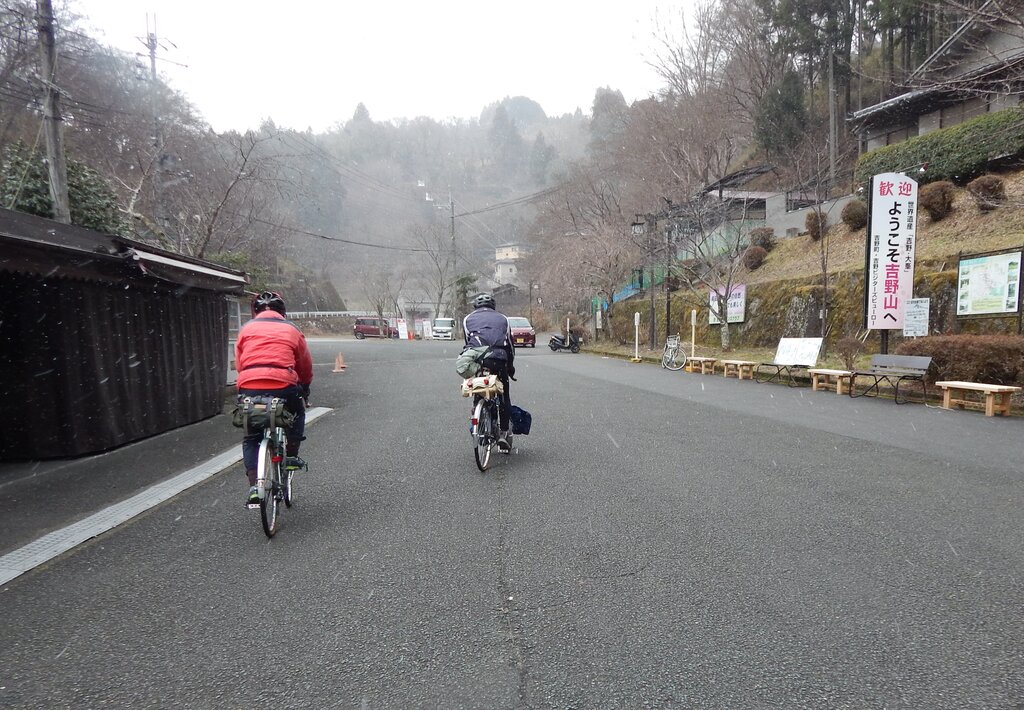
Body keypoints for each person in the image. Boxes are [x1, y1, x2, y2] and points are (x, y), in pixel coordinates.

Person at [235, 291, 313, 505]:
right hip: (283, 384)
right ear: (282, 312)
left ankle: (254, 486)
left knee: (251, 437)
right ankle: (291, 456)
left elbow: (240, 363)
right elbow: (304, 364)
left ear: (256, 311)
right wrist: (305, 388)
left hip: (250, 385)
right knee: (297, 412)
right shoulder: (291, 329)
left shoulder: (246, 329)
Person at [463, 292, 515, 450]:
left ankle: (477, 416)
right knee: (504, 393)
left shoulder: (467, 319)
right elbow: (510, 345)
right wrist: (510, 367)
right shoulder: (503, 319)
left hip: (479, 359)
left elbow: (468, 343)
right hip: (499, 358)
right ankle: (504, 432)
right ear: (493, 306)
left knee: (479, 387)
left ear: (476, 306)